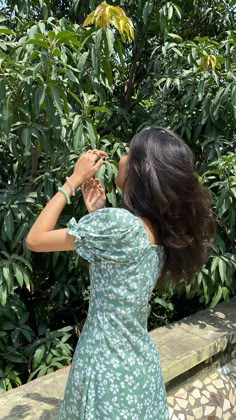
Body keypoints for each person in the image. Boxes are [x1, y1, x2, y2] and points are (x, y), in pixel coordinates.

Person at [26, 127, 215, 420]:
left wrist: (73, 180)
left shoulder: (120, 225)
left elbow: (35, 239)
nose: (121, 157)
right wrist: (95, 215)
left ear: (141, 169)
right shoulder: (157, 230)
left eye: (128, 152)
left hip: (105, 369)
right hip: (137, 369)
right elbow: (116, 271)